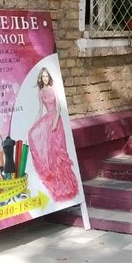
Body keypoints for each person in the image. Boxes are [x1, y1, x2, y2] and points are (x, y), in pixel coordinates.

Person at [27, 67, 80, 202]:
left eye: (46, 76)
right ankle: (58, 185)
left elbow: (59, 107)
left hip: (56, 121)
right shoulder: (40, 92)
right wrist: (33, 126)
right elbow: (40, 111)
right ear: (40, 79)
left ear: (48, 77)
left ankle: (68, 185)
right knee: (51, 154)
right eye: (43, 77)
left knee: (60, 151)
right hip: (47, 122)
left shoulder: (54, 88)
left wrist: (55, 122)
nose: (45, 78)